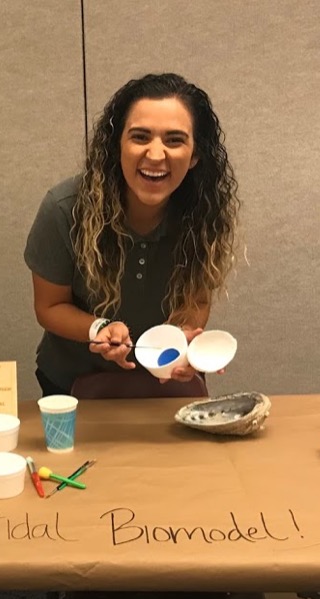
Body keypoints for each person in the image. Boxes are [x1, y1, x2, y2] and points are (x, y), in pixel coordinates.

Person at [25, 73, 239, 396]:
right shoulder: (64, 209)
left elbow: (196, 299)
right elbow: (49, 307)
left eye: (175, 140)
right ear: (117, 146)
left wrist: (183, 345)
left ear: (196, 155)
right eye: (140, 137)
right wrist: (98, 329)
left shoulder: (205, 214)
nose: (155, 155)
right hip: (71, 385)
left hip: (162, 381)